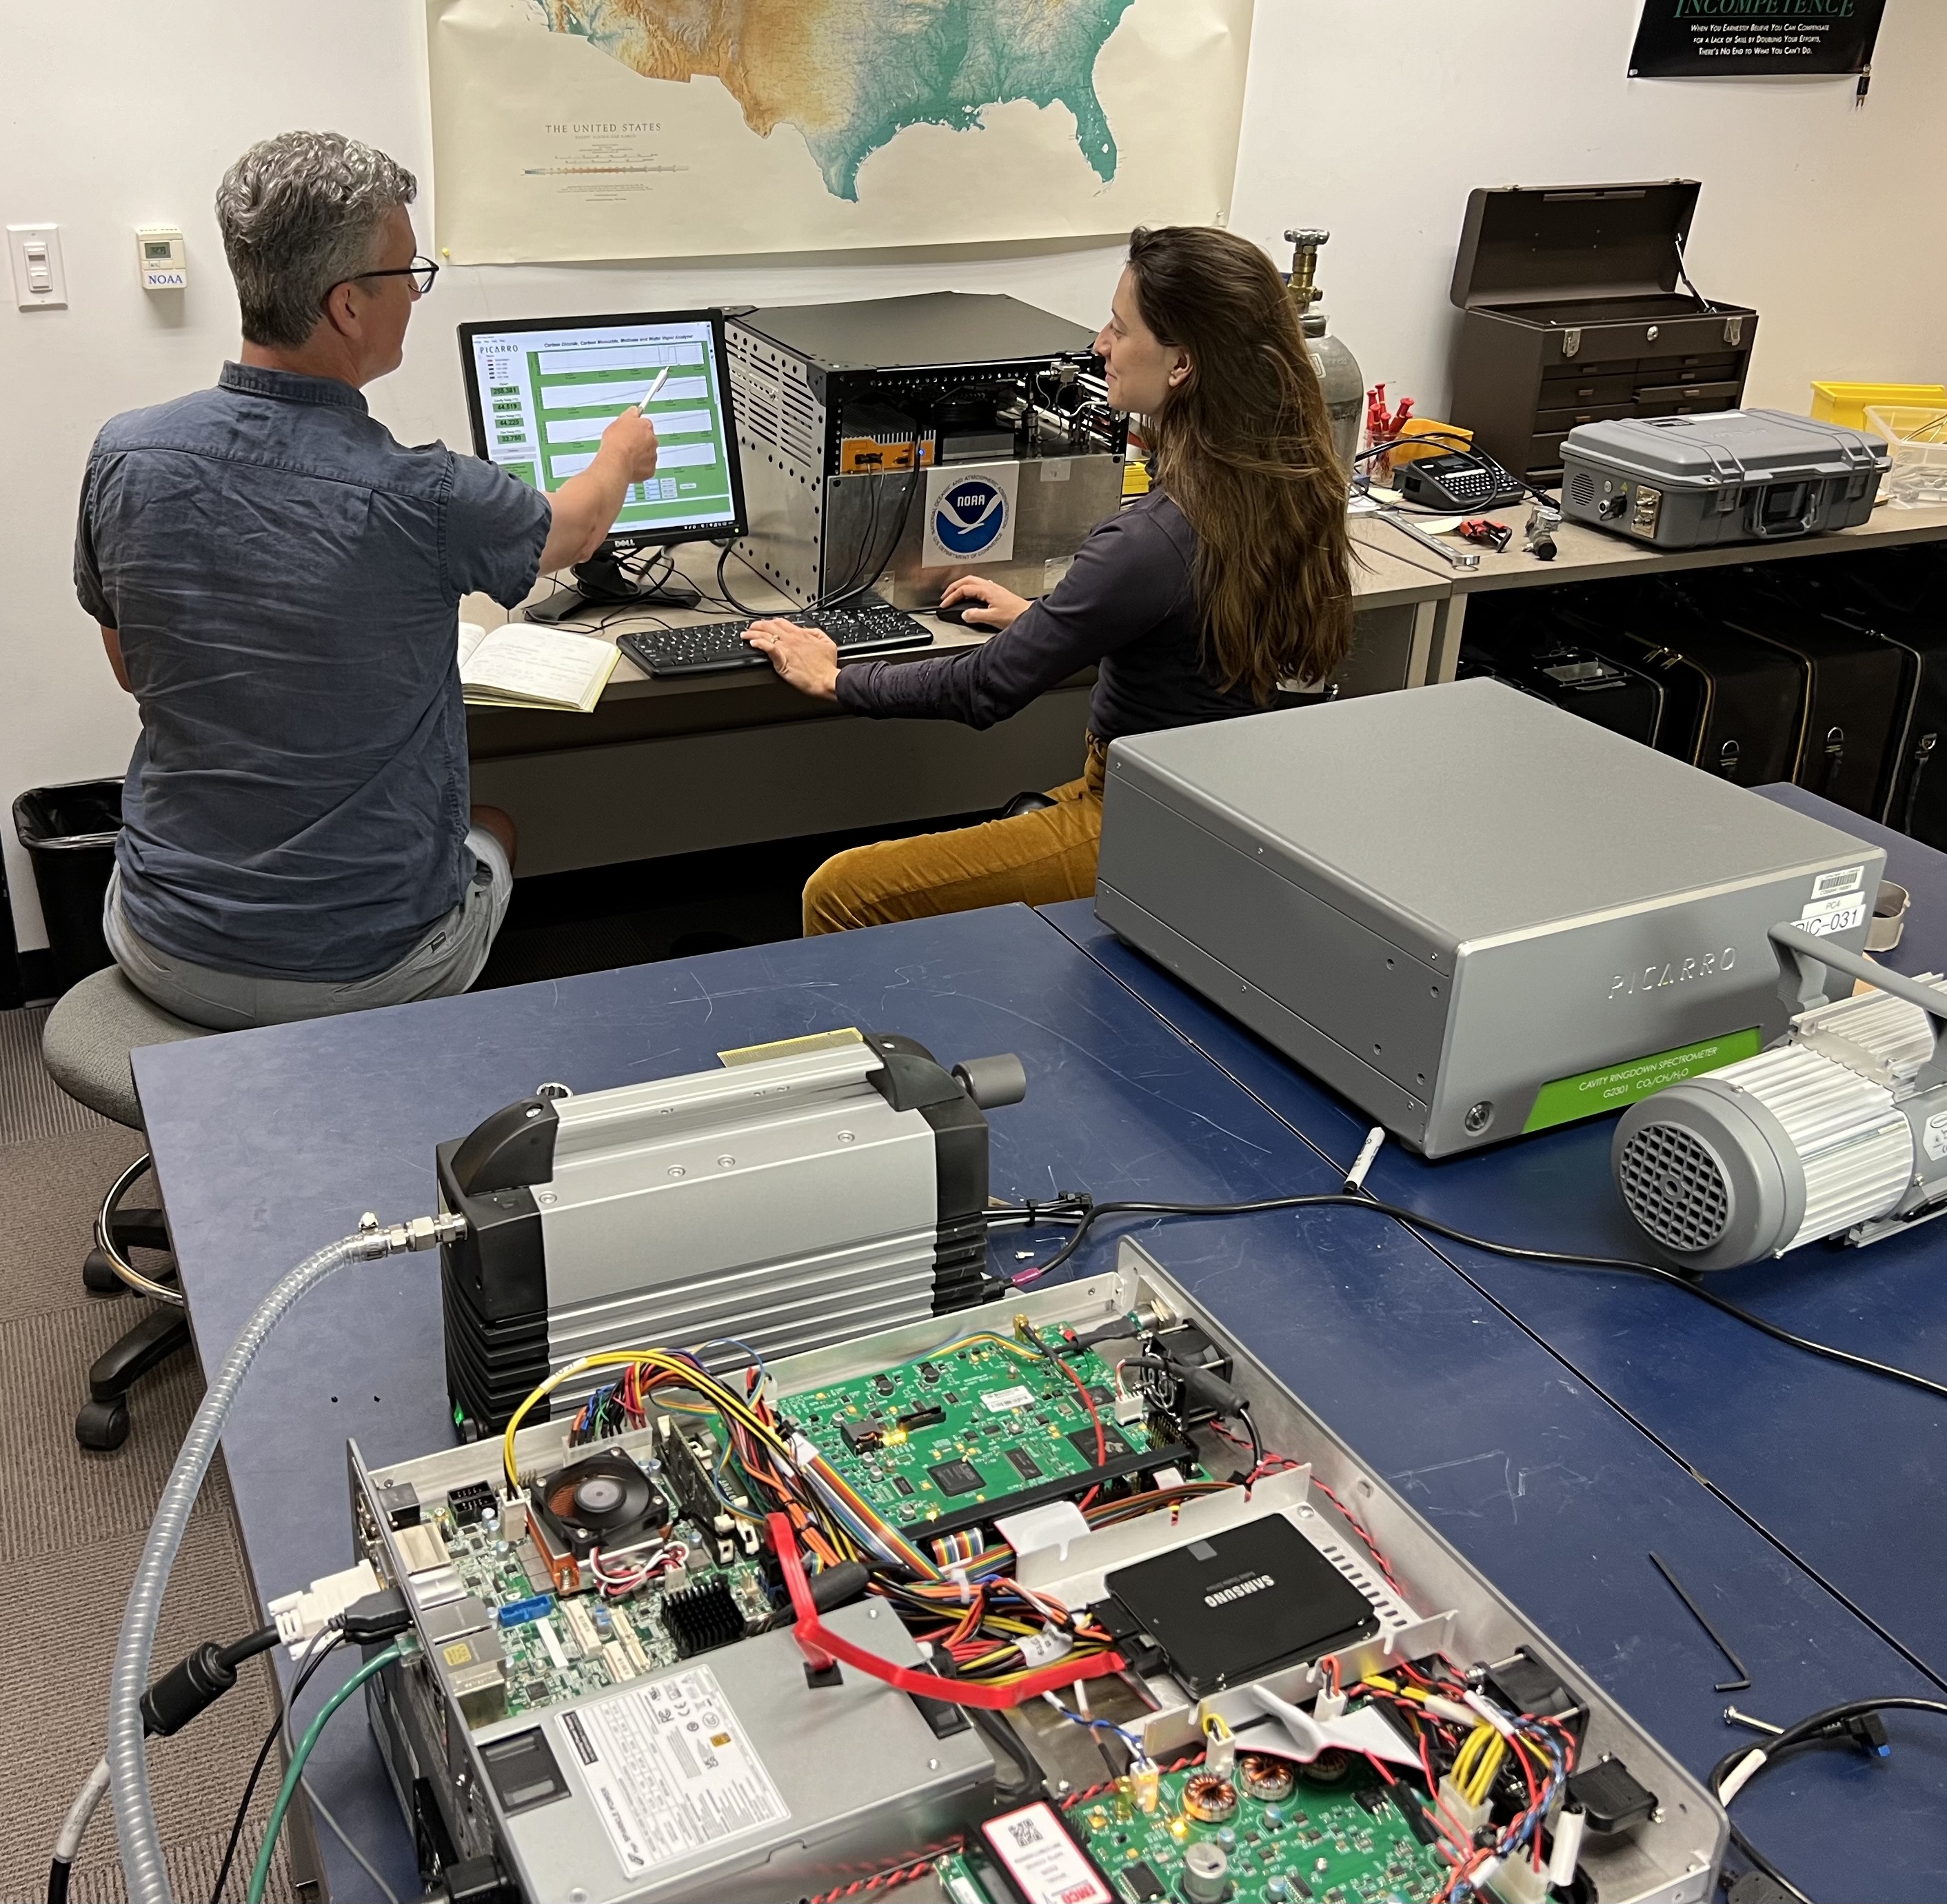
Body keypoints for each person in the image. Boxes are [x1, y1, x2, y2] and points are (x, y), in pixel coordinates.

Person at [74, 130, 659, 1030]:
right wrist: (621, 453)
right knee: (495, 828)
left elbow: (130, 668)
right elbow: (578, 528)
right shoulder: (426, 495)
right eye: (408, 275)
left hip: (163, 941)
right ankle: (407, 1091)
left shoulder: (126, 454)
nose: (414, 298)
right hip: (367, 972)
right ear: (349, 305)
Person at [746, 223, 1354, 936]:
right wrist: (1050, 617)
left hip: (1143, 821)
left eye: (1121, 328)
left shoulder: (1150, 538)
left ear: (1182, 365)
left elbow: (983, 690)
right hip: (1221, 809)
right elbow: (1195, 640)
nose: (1100, 344)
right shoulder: (1287, 485)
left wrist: (838, 677)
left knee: (843, 890)